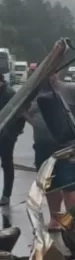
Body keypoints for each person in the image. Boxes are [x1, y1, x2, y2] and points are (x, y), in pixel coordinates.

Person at [26, 73, 75, 231]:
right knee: (50, 185)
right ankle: (55, 219)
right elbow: (21, 111)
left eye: (52, 72)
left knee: (70, 185)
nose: (48, 76)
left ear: (58, 73)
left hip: (68, 147)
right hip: (42, 148)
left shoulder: (72, 90)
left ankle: (74, 223)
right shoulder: (31, 94)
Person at [0, 72, 26, 228]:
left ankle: (6, 194)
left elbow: (20, 115)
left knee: (7, 164)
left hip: (6, 137)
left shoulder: (10, 94)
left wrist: (13, 134)